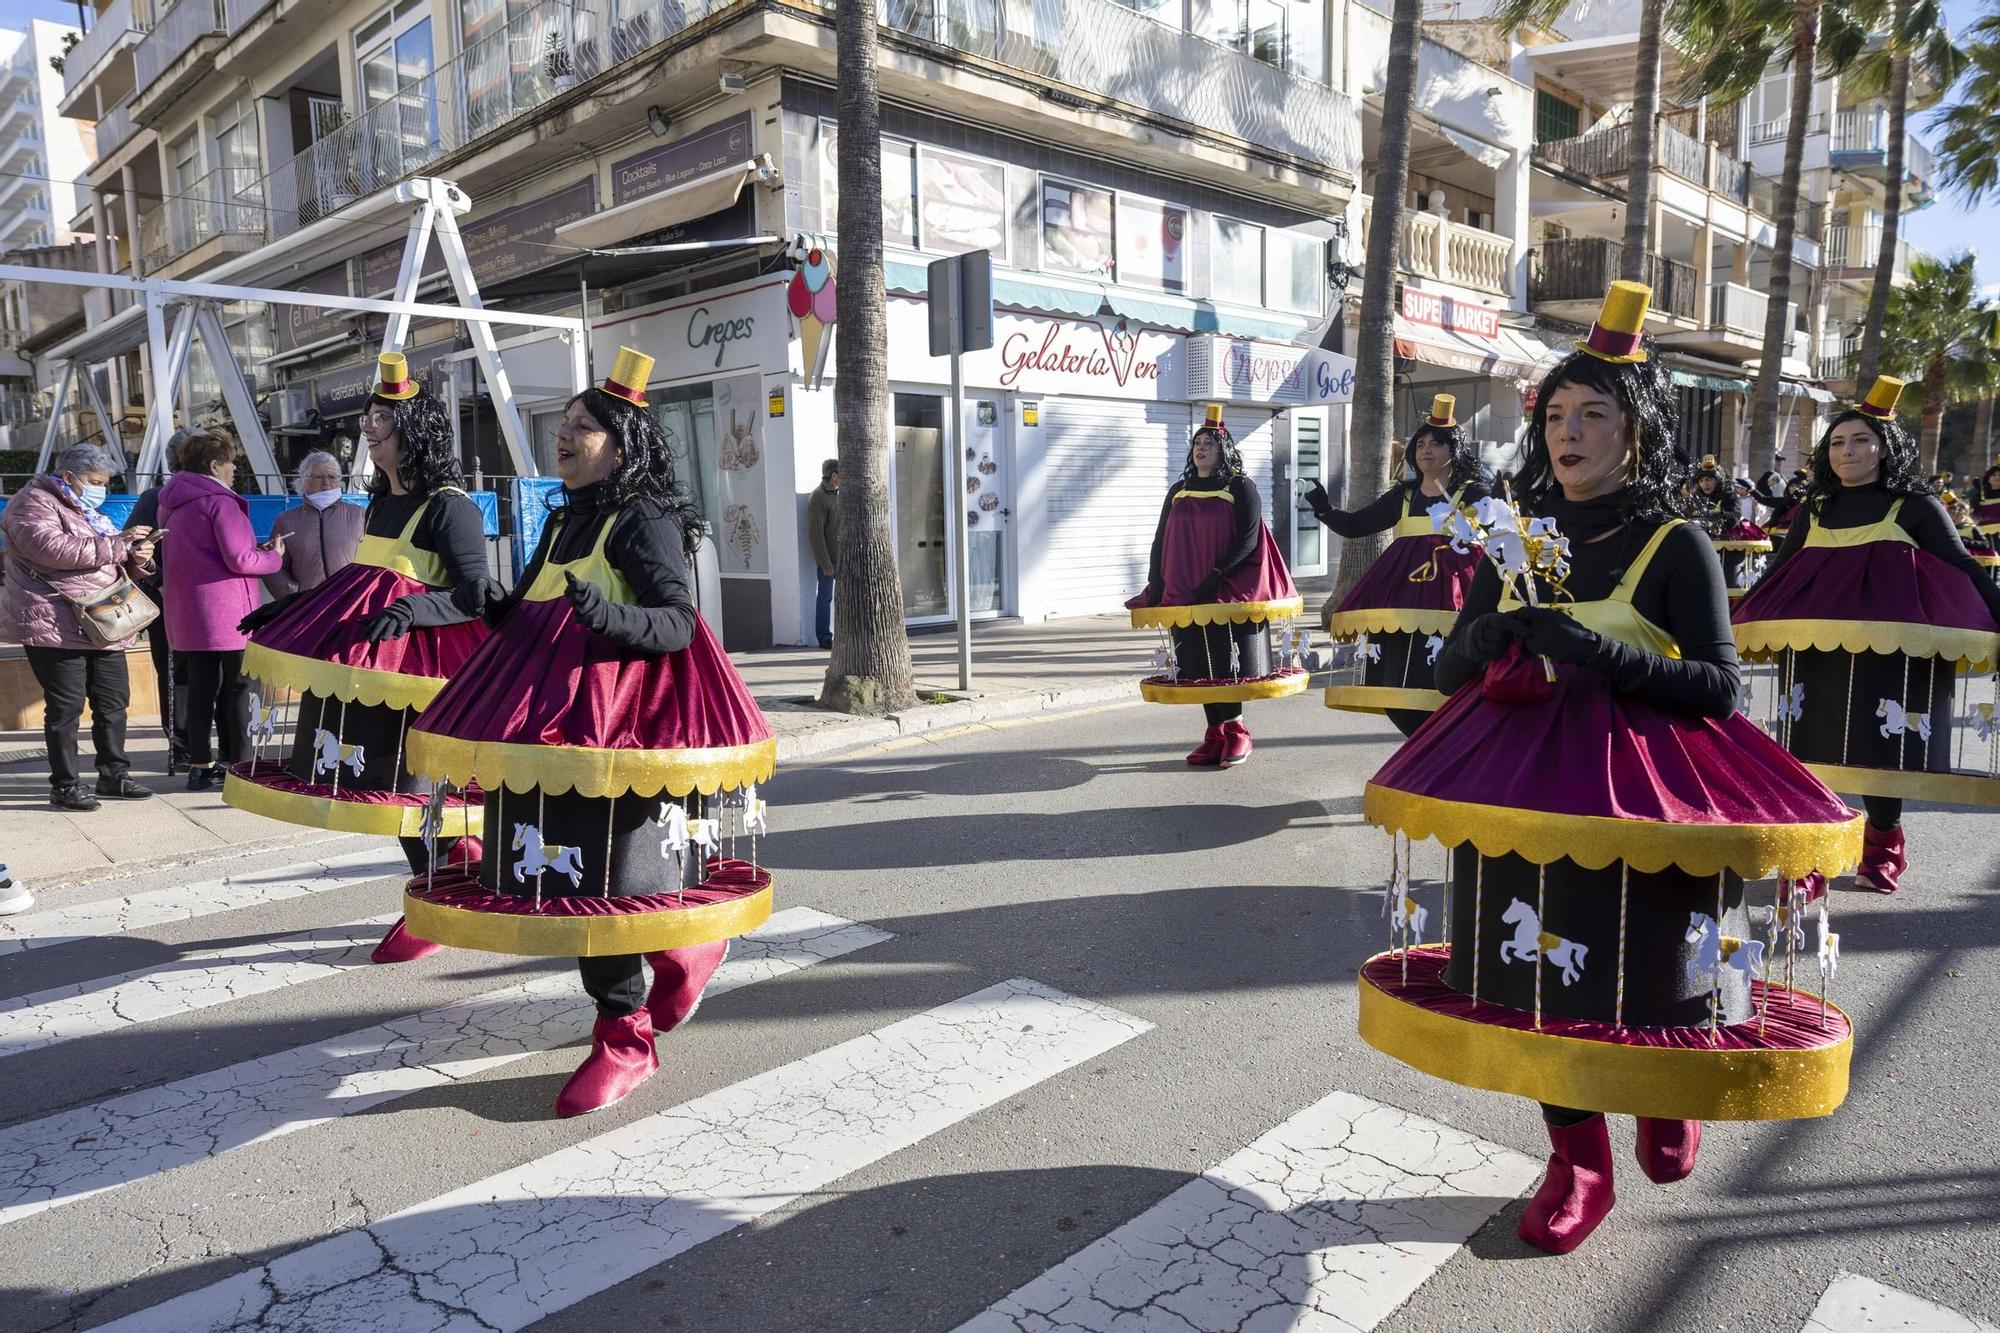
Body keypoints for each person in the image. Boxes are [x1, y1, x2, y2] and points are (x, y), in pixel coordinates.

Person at [1354, 282, 1862, 1256]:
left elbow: (1715, 687)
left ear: (1634, 431)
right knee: (1534, 983)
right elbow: (1451, 667)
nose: (1567, 432)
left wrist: (1588, 648)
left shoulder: (1676, 544)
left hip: (1656, 804)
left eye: (1592, 414)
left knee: (1653, 976)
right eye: (1555, 414)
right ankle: (1576, 1158)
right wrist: (1497, 629)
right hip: (1527, 796)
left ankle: (1662, 1085)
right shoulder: (1518, 536)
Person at [397, 348, 778, 1118]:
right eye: (564, 424)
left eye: (582, 427)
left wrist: (609, 618)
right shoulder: (567, 515)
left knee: (605, 888)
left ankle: (624, 1038)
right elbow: (539, 608)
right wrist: (492, 606)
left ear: (622, 443)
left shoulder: (644, 518)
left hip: (619, 736)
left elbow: (675, 622)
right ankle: (685, 949)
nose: (564, 437)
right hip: (550, 730)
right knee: (584, 884)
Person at [231, 354, 490, 964]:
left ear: (416, 430)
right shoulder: (380, 503)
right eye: (368, 418)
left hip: (421, 677)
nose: (369, 430)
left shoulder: (451, 505)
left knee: (410, 791)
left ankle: (440, 894)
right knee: (380, 789)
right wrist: (290, 609)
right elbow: (364, 583)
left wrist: (415, 612)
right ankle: (451, 873)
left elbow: (475, 594)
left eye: (383, 419)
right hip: (368, 665)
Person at [1732, 376, 2000, 894]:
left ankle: (1881, 850)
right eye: (1837, 442)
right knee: (1811, 753)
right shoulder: (1814, 508)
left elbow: (1961, 567)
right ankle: (1811, 856)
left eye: (1860, 441)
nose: (1847, 451)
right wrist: (1727, 623)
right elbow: (1777, 573)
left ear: (1885, 448)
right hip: (1812, 652)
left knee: (1883, 758)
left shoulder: (1917, 507)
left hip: (1895, 656)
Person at [1127, 405, 1304, 767]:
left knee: (1225, 661)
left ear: (1225, 449)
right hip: (1184, 590)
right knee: (1199, 664)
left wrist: (1216, 577)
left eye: (1210, 442)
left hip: (1227, 590)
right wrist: (1155, 579)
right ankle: (1214, 734)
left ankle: (1237, 731)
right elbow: (1161, 537)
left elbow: (1249, 540)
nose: (1201, 447)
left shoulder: (1240, 487)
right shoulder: (1179, 489)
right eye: (1197, 442)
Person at [1308, 394, 1490, 736]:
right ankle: (1425, 750)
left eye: (1436, 443)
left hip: (1457, 599)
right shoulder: (1404, 496)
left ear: (1454, 450)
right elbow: (1356, 525)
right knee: (1398, 689)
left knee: (1450, 688)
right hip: (1402, 601)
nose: (1426, 449)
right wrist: (1324, 510)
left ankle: (1444, 753)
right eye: (1420, 443)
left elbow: (1503, 534)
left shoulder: (1474, 492)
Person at [1, 443, 160, 810]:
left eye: (104, 481)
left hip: (102, 619)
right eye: (94, 480)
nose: (100, 488)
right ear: (69, 476)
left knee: (112, 702)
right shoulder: (31, 502)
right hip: (52, 621)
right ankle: (66, 784)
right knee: (65, 707)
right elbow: (53, 550)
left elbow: (103, 561)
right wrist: (119, 544)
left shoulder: (86, 509)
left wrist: (137, 558)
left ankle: (113, 775)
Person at [157, 430, 286, 791]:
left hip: (188, 614)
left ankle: (200, 766)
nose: (233, 470)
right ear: (214, 465)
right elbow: (240, 559)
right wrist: (273, 555)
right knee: (241, 690)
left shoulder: (170, 503)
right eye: (230, 463)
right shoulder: (220, 503)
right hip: (228, 614)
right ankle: (242, 767)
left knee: (200, 692)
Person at [125, 429, 190, 767]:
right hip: (167, 602)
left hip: (206, 603)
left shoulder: (217, 496)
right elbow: (134, 549)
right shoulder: (155, 498)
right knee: (173, 673)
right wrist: (161, 580)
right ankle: (179, 745)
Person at [264, 450, 365, 597]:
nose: (326, 482)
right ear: (304, 481)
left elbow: (376, 560)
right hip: (307, 607)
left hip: (350, 602)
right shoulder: (286, 520)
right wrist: (293, 595)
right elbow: (274, 565)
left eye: (331, 476)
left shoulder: (359, 515)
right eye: (319, 477)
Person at [806, 458, 839, 648]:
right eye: (840, 474)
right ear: (833, 475)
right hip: (828, 560)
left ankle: (840, 635)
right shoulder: (819, 497)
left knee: (840, 599)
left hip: (843, 558)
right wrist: (825, 563)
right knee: (825, 598)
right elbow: (816, 534)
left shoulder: (838, 494)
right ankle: (824, 637)